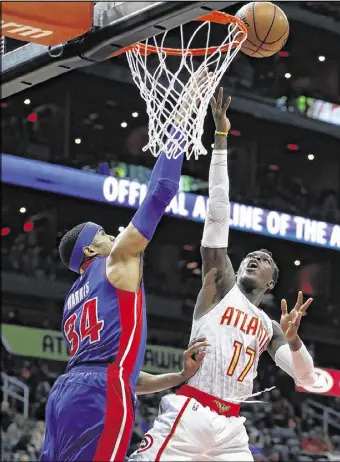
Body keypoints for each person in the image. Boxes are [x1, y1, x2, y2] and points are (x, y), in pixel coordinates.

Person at [129, 88, 317, 461]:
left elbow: (306, 378)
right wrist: (220, 139)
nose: (253, 258)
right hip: (190, 412)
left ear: (271, 281)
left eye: (262, 259)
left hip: (232, 430)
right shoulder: (220, 285)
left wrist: (295, 342)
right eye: (250, 254)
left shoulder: (270, 327)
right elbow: (218, 211)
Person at [40, 70, 211, 462]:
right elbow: (162, 192)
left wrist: (178, 378)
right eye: (103, 233)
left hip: (67, 394)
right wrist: (182, 119)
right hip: (101, 392)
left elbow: (122, 373)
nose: (113, 233)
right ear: (90, 251)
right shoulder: (117, 260)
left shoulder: (73, 298)